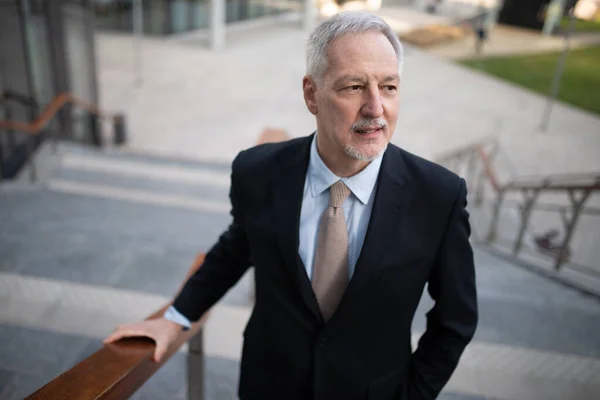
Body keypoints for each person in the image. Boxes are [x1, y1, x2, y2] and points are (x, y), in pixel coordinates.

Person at [104, 11, 478, 400]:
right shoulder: (257, 172)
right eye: (353, 87)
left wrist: (412, 395)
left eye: (388, 87)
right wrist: (175, 318)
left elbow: (456, 319)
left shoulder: (439, 195)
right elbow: (236, 249)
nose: (375, 108)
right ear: (311, 94)